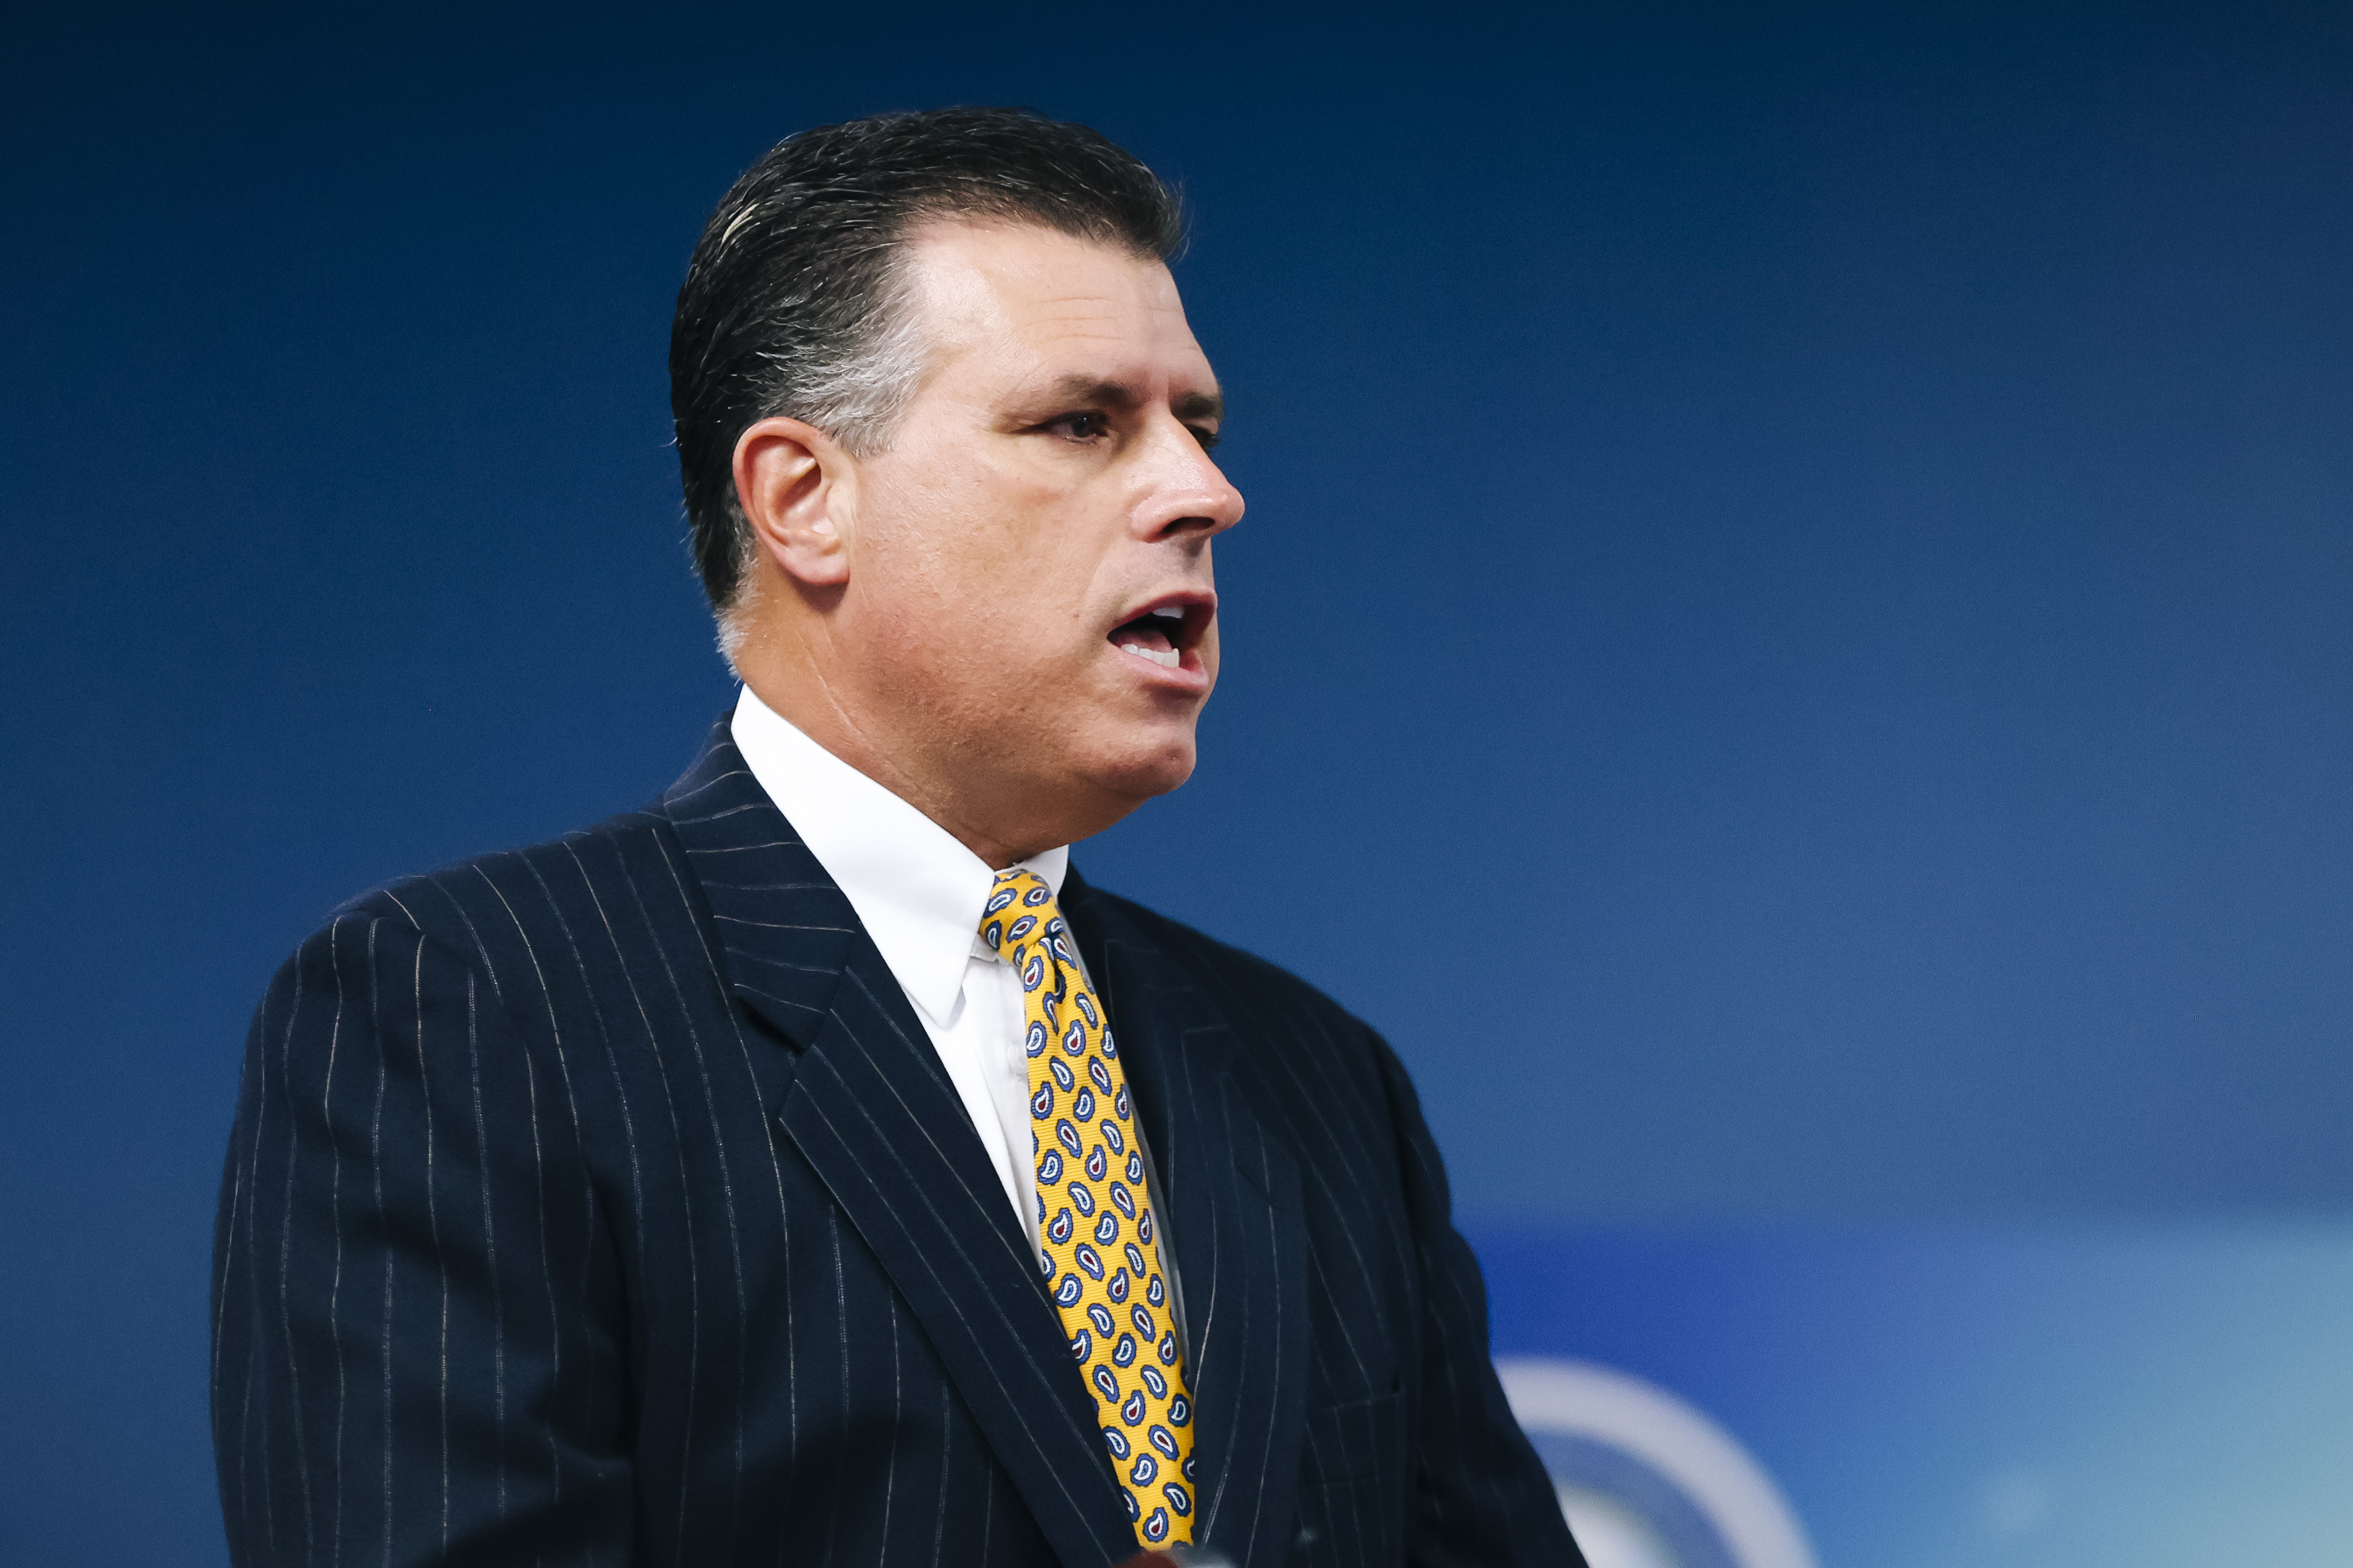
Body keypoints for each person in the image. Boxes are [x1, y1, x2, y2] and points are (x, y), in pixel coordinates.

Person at [211, 107, 1583, 1568]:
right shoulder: (473, 1014)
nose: (1205, 492)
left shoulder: (1320, 1079)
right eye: (1082, 422)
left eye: (1200, 425)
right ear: (805, 499)